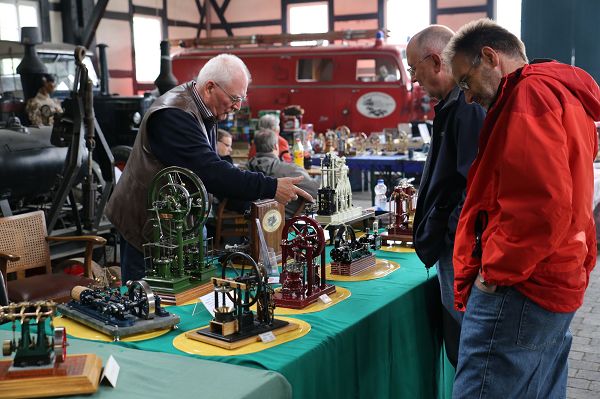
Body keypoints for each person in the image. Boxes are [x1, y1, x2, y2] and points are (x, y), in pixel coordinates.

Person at [443, 18, 600, 398]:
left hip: (521, 288)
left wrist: (494, 274)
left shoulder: (528, 95)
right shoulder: (562, 93)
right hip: (553, 276)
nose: (466, 97)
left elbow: (540, 205)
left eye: (465, 82)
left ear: (489, 57)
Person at [105, 54, 312, 282]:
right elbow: (211, 171)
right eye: (234, 98)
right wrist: (270, 187)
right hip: (146, 229)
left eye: (242, 98)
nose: (238, 106)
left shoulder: (204, 110)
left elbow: (210, 172)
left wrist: (253, 201)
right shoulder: (174, 114)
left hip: (179, 223)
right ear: (210, 87)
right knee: (148, 303)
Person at [407, 25, 485, 368]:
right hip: (454, 246)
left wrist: (449, 232)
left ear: (436, 60)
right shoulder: (453, 105)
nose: (412, 80)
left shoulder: (467, 108)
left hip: (458, 251)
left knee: (464, 351)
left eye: (413, 69)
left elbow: (474, 186)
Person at [248, 129, 318, 218]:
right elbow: (317, 191)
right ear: (276, 147)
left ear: (255, 147)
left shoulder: (242, 172)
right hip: (286, 224)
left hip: (249, 222)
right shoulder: (292, 170)